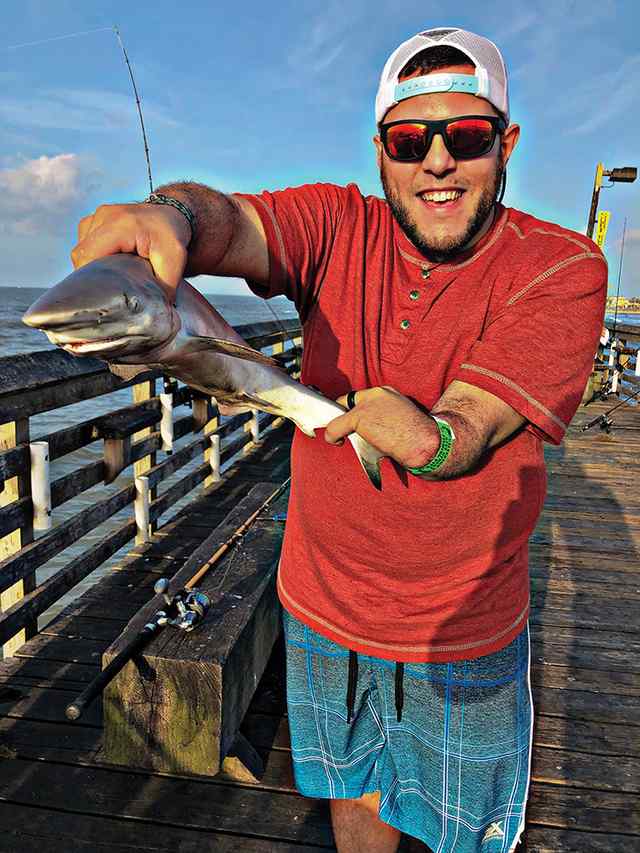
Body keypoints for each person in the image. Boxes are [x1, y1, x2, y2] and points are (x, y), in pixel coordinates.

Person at [71, 27, 607, 853]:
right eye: (409, 138)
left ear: (506, 145)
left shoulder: (561, 266)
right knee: (352, 797)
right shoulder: (335, 224)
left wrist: (424, 437)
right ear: (381, 150)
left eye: (465, 137)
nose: (437, 161)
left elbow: (467, 430)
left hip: (459, 628)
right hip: (320, 605)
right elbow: (232, 220)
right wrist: (167, 214)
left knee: (464, 833)